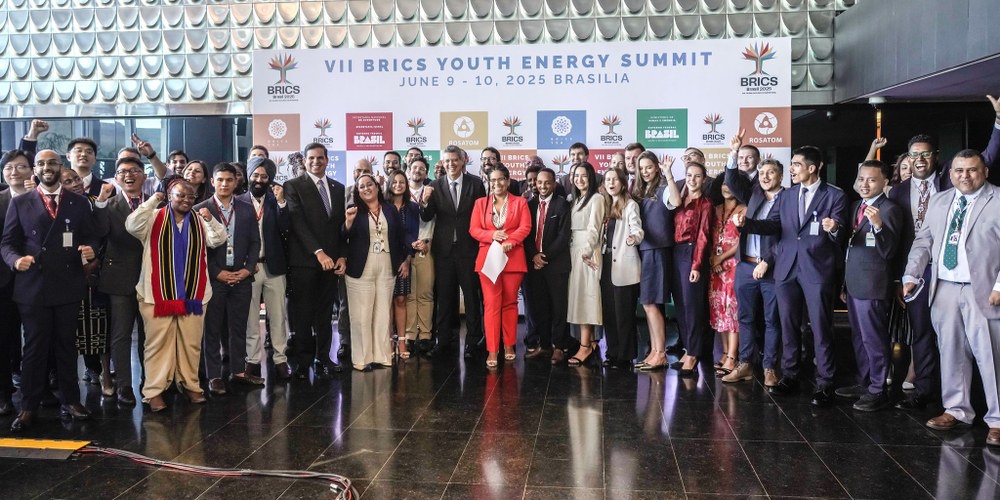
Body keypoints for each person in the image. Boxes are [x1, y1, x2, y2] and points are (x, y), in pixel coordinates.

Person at [736, 146, 849, 406]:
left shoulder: (834, 195)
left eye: (796, 164)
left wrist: (835, 228)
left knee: (820, 327)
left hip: (817, 270)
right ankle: (790, 375)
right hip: (786, 269)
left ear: (812, 167)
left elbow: (842, 233)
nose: (792, 169)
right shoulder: (787, 196)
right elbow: (776, 226)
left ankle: (825, 382)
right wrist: (748, 224)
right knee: (788, 325)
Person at [902, 150, 1000, 446]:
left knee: (990, 356)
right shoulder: (941, 199)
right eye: (959, 171)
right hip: (944, 287)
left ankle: (997, 419)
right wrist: (911, 274)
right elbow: (924, 240)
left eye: (971, 170)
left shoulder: (997, 200)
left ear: (984, 171)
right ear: (951, 172)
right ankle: (957, 409)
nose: (965, 176)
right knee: (951, 351)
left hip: (983, 289)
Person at [2, 149, 100, 431]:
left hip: (68, 284)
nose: (47, 167)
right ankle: (28, 406)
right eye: (42, 163)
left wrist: (91, 249)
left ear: (60, 166)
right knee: (34, 348)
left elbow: (91, 235)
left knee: (66, 346)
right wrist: (15, 260)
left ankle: (71, 401)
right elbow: (7, 243)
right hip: (33, 286)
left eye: (52, 163)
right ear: (35, 168)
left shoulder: (79, 202)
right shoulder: (20, 202)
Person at [126, 179, 228, 411]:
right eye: (180, 195)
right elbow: (132, 225)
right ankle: (154, 391)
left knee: (191, 344)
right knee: (157, 345)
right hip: (156, 295)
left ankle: (190, 385)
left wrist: (210, 218)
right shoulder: (153, 218)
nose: (186, 200)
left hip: (194, 295)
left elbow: (219, 239)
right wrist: (153, 200)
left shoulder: (200, 221)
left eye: (190, 197)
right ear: (170, 195)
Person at [837, 160, 904, 412]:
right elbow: (851, 249)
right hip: (854, 284)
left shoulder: (889, 210)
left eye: (872, 180)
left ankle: (878, 390)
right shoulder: (856, 206)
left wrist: (878, 227)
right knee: (858, 338)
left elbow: (889, 252)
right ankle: (864, 382)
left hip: (874, 286)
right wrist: (844, 283)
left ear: (885, 182)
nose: (865, 184)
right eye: (862, 179)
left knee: (874, 340)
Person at [195, 163, 262, 394]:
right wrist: (216, 272)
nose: (224, 184)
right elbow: (198, 250)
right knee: (212, 329)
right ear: (212, 182)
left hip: (242, 276)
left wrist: (248, 269)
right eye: (220, 180)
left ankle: (239, 371)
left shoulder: (245, 208)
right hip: (215, 278)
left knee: (238, 327)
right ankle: (214, 376)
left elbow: (255, 242)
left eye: (229, 180)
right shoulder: (200, 209)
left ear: (236, 182)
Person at [284, 142, 347, 379]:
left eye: (320, 158)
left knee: (324, 314)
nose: (315, 162)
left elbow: (340, 226)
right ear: (304, 161)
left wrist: (341, 255)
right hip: (305, 261)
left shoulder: (338, 188)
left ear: (327, 160)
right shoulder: (293, 186)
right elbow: (297, 222)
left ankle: (324, 357)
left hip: (331, 263)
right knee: (303, 314)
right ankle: (303, 362)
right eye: (311, 158)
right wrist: (318, 252)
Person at [419, 145, 486, 359]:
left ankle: (473, 343)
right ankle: (443, 341)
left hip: (469, 250)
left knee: (472, 300)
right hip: (444, 252)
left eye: (454, 160)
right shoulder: (434, 185)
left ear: (463, 161)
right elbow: (427, 216)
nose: (451, 164)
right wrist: (425, 199)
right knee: (445, 299)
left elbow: (483, 215)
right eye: (446, 161)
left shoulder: (476, 184)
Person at [722, 155, 784, 386]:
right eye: (762, 173)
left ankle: (769, 368)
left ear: (780, 176)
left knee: (772, 320)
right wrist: (733, 153)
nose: (765, 177)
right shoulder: (754, 193)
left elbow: (783, 233)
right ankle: (745, 364)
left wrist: (767, 260)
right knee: (745, 318)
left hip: (772, 269)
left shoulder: (787, 198)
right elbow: (731, 180)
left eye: (771, 172)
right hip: (746, 266)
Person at [93, 157, 149, 404]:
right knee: (121, 334)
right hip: (120, 278)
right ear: (115, 178)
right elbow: (98, 232)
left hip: (152, 278)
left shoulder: (156, 203)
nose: (128, 175)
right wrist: (101, 203)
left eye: (134, 170)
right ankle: (124, 385)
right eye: (122, 172)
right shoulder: (108, 204)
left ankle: (151, 382)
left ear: (144, 176)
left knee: (150, 335)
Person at [343, 174, 409, 371]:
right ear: (357, 191)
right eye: (361, 186)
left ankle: (382, 356)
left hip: (387, 264)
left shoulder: (389, 209)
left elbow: (401, 235)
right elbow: (341, 236)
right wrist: (348, 222)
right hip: (360, 266)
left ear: (377, 187)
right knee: (361, 315)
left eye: (369, 184)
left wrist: (405, 259)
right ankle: (362, 359)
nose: (366, 189)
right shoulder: (354, 211)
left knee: (382, 313)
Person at [469, 165, 531, 368]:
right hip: (488, 260)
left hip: (512, 257)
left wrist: (511, 240)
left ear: (508, 179)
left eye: (500, 179)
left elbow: (525, 226)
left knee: (510, 303)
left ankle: (510, 345)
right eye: (492, 180)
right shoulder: (480, 203)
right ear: (488, 182)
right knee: (491, 305)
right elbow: (474, 229)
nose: (497, 184)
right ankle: (493, 349)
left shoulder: (520, 202)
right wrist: (491, 235)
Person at [239, 156, 292, 379]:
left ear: (270, 179)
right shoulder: (238, 201)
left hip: (274, 267)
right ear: (249, 177)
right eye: (256, 175)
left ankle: (280, 359)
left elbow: (287, 229)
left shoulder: (276, 201)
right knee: (251, 318)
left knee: (278, 316)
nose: (259, 180)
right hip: (249, 269)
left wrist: (281, 204)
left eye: (264, 176)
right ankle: (252, 360)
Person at [632, 151, 681, 371]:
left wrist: (669, 175)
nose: (645, 172)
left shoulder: (662, 188)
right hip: (645, 250)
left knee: (652, 303)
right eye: (641, 168)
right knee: (648, 303)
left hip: (658, 251)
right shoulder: (640, 192)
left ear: (657, 167)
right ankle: (654, 350)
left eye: (649, 167)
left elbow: (676, 201)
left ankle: (661, 353)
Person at [523, 167, 574, 364]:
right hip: (534, 265)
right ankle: (544, 346)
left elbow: (563, 236)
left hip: (555, 264)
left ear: (554, 184)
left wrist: (543, 256)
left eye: (547, 182)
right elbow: (526, 233)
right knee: (540, 307)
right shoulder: (529, 205)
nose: (542, 186)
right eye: (539, 182)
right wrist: (533, 255)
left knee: (558, 307)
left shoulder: (562, 205)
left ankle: (559, 347)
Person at [670, 162, 713, 376]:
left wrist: (696, 265)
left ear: (704, 179)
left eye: (697, 176)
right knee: (681, 305)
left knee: (693, 306)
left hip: (692, 253)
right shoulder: (679, 199)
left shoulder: (705, 204)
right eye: (689, 175)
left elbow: (704, 237)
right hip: (676, 253)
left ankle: (695, 352)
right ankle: (687, 350)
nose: (692, 179)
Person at [599, 168, 643, 369]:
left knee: (624, 313)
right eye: (607, 179)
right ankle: (612, 351)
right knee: (609, 313)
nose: (611, 183)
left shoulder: (630, 205)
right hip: (605, 264)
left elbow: (637, 229)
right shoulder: (604, 204)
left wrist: (634, 237)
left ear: (623, 183)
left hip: (624, 265)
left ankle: (625, 356)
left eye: (615, 179)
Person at [566, 162, 605, 366]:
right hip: (574, 252)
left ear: (591, 178)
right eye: (576, 175)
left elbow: (594, 229)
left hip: (587, 254)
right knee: (578, 298)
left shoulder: (597, 199)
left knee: (586, 298)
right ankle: (587, 341)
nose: (580, 179)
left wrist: (587, 252)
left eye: (584, 176)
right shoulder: (574, 200)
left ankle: (585, 346)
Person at [708, 183, 745, 377]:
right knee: (718, 309)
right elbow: (710, 237)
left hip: (734, 264)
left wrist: (721, 258)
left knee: (732, 309)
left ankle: (733, 356)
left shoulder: (744, 209)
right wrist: (714, 259)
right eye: (723, 184)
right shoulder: (716, 210)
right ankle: (724, 352)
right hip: (716, 266)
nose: (727, 188)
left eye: (731, 185)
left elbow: (741, 240)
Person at [385, 170, 419, 359]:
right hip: (383, 259)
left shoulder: (413, 208)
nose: (398, 185)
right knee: (387, 302)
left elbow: (412, 236)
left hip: (403, 260)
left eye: (402, 182)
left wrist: (407, 260)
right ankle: (389, 341)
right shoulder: (382, 206)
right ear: (389, 184)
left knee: (400, 300)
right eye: (395, 182)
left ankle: (403, 342)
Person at [404, 157, 435, 356]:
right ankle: (409, 335)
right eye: (414, 168)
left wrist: (427, 241)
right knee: (408, 295)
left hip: (426, 247)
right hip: (405, 250)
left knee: (425, 294)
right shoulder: (399, 190)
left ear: (426, 173)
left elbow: (437, 221)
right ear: (408, 170)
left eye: (422, 169)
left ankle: (425, 335)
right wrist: (407, 243)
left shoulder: (432, 192)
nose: (418, 171)